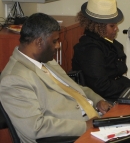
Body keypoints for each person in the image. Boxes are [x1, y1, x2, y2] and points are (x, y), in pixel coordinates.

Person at [0, 13, 112, 143]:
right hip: (73, 136)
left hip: (94, 119)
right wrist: (86, 125)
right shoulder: (14, 79)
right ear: (39, 42)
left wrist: (98, 101)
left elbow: (75, 89)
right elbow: (36, 127)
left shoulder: (46, 61)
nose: (58, 46)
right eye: (54, 41)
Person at [72, 0, 130, 102]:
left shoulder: (103, 42)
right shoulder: (90, 50)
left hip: (115, 92)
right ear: (98, 26)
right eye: (112, 26)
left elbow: (115, 78)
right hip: (102, 100)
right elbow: (102, 87)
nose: (116, 28)